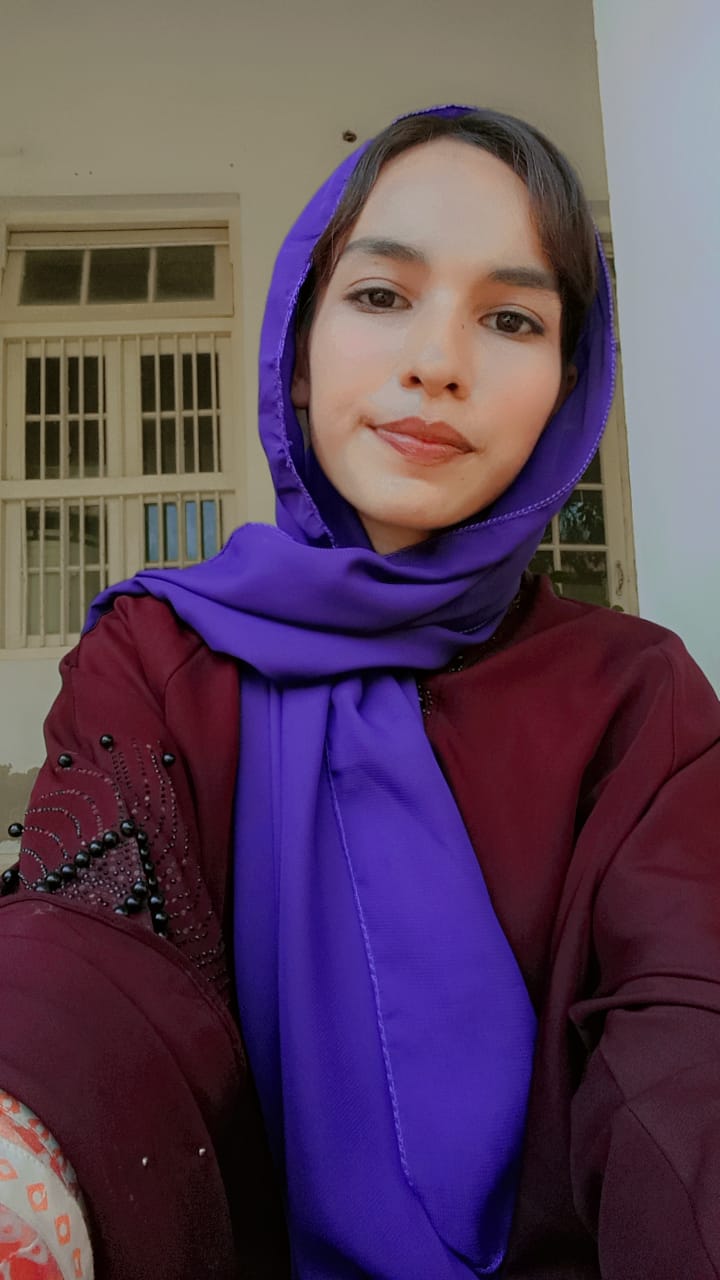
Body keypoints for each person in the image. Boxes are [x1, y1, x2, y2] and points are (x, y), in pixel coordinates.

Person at [0, 104, 718, 1280]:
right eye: (382, 294)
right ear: (298, 344)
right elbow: (95, 955)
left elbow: (686, 1036)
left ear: (568, 386)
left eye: (511, 317)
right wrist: (25, 1161)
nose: (437, 362)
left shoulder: (639, 699)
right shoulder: (159, 655)